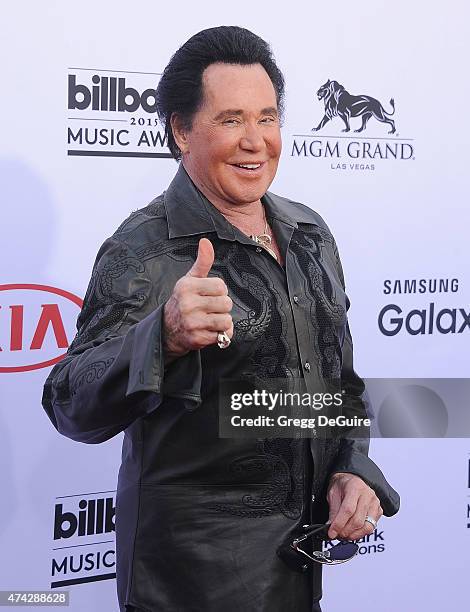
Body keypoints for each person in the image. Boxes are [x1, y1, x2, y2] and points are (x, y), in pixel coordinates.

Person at [42, 26, 399, 612]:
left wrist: (354, 468)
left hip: (299, 573)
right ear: (182, 131)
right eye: (231, 120)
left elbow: (340, 385)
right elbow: (67, 403)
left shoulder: (309, 233)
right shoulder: (147, 249)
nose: (256, 141)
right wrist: (161, 337)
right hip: (188, 584)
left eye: (267, 117)